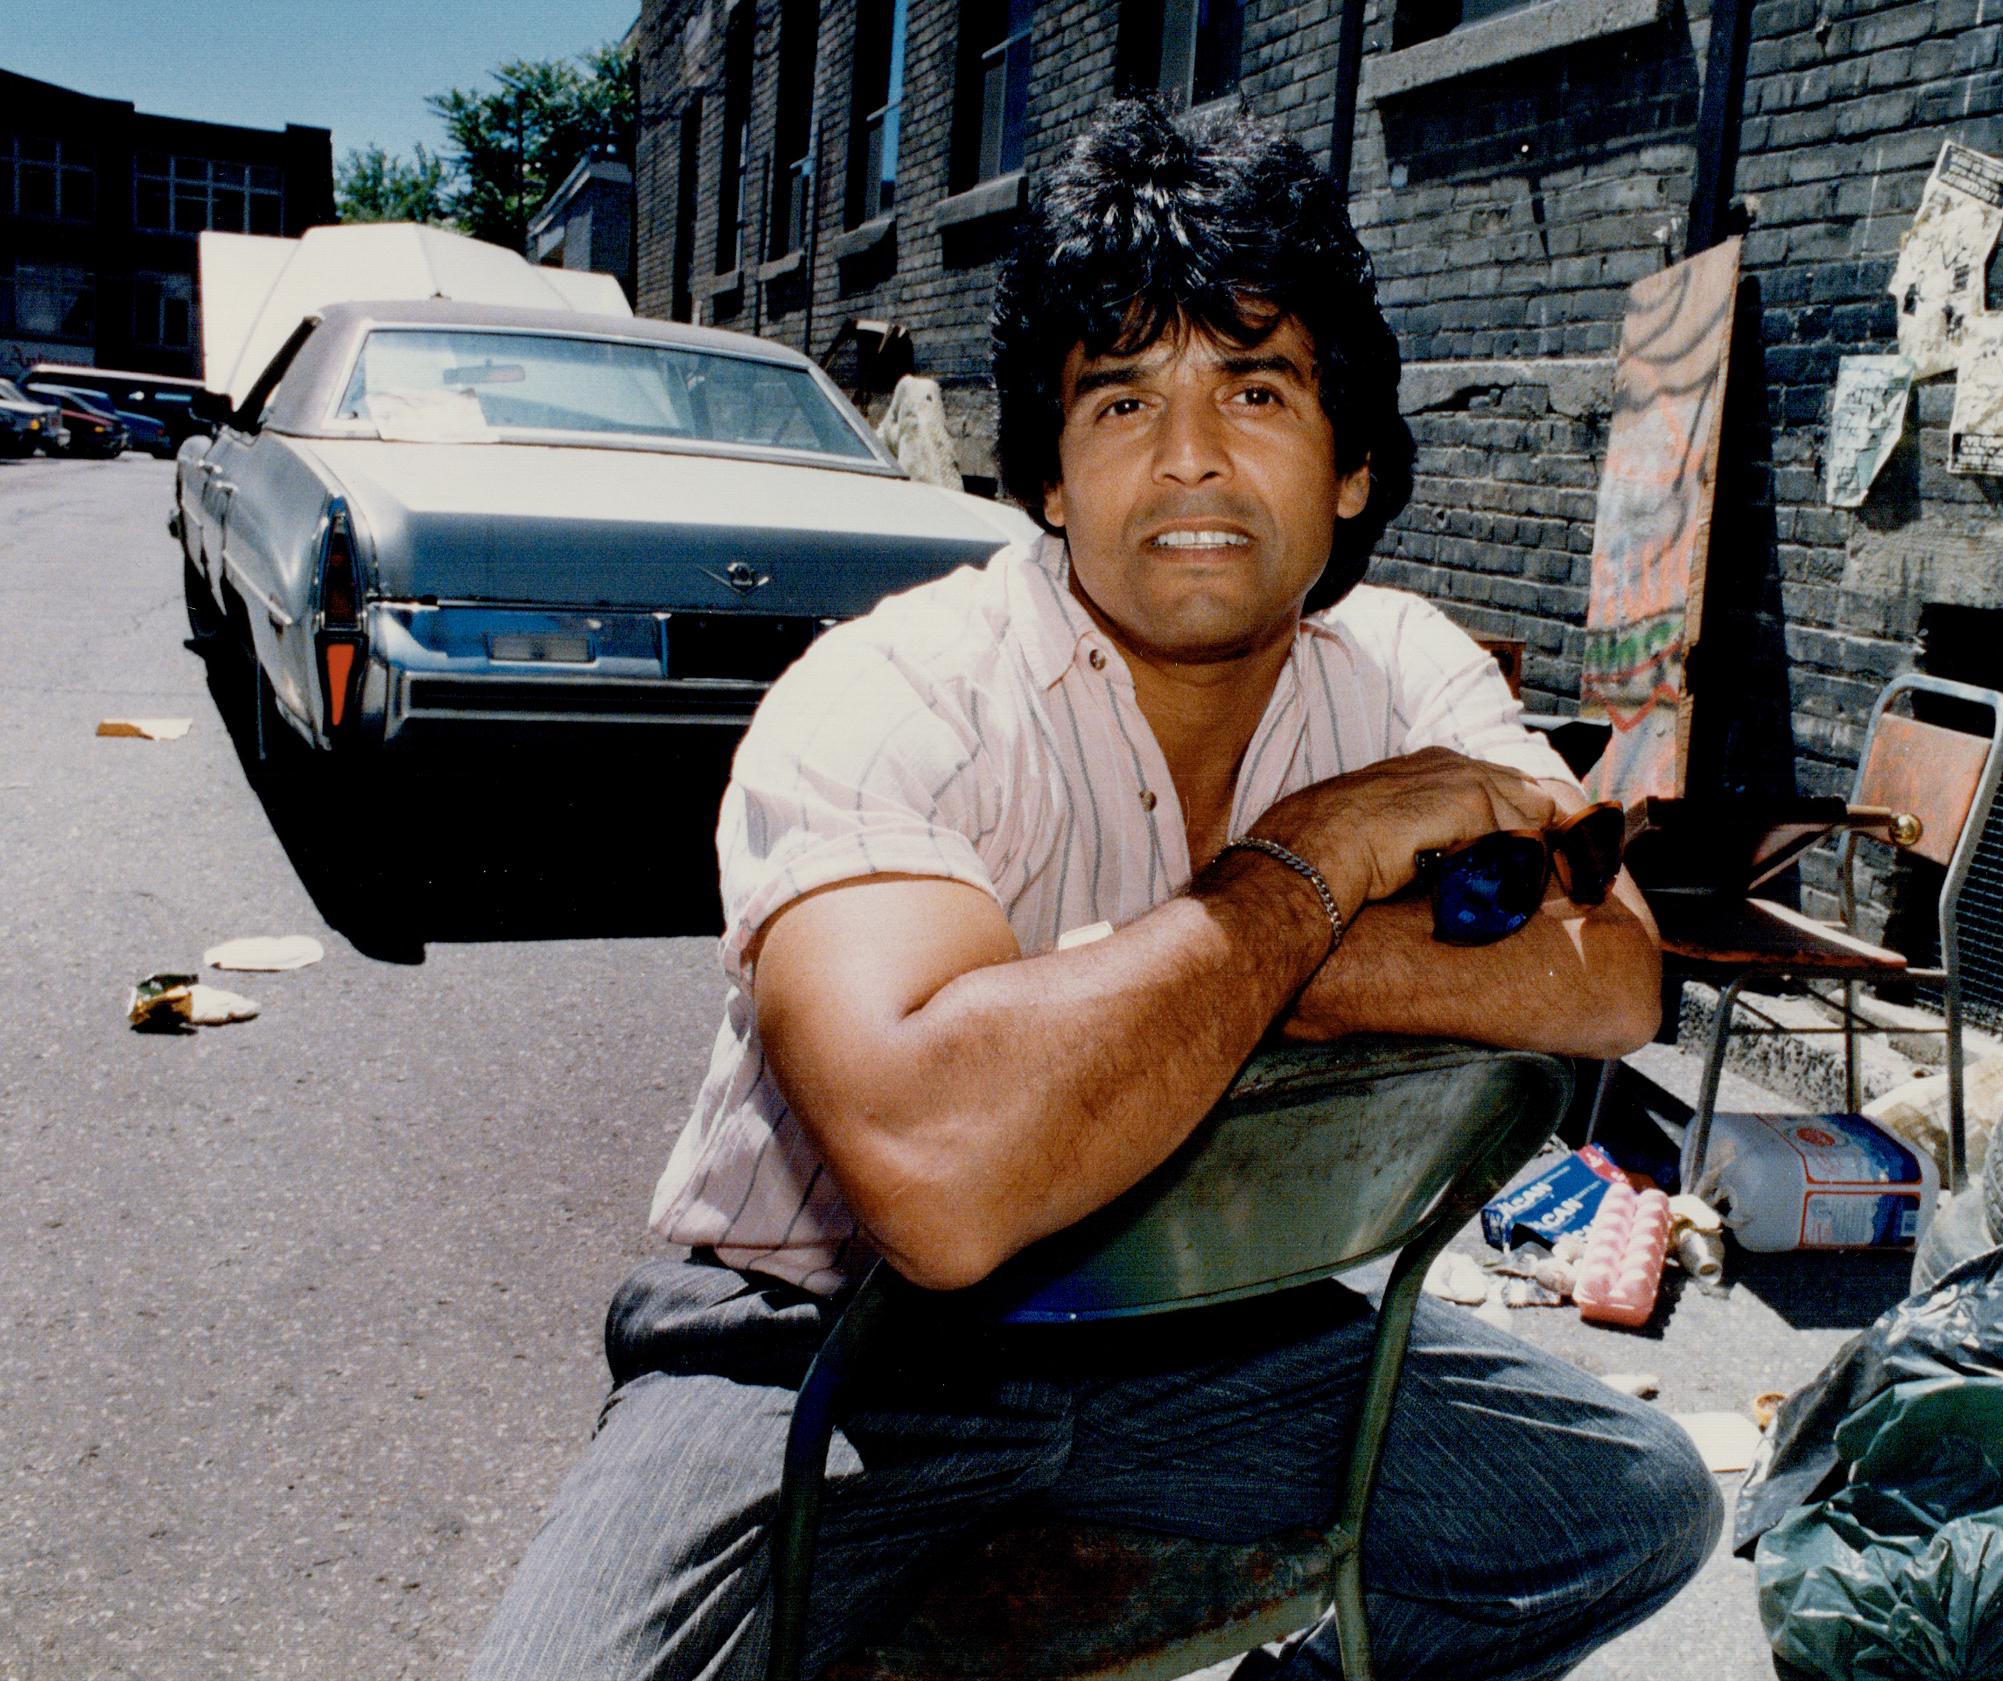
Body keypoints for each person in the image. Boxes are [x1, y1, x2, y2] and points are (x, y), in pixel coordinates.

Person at [471, 99, 1719, 1681]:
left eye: (1257, 388)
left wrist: (1210, 980)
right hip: (818, 1352)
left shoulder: (1403, 671)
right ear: (1051, 477)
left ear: (1351, 467)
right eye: (1121, 399)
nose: (1190, 455)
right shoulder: (898, 688)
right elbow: (940, 1171)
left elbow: (1606, 970)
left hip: (1218, 1337)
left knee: (1623, 1508)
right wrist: (1317, 869)